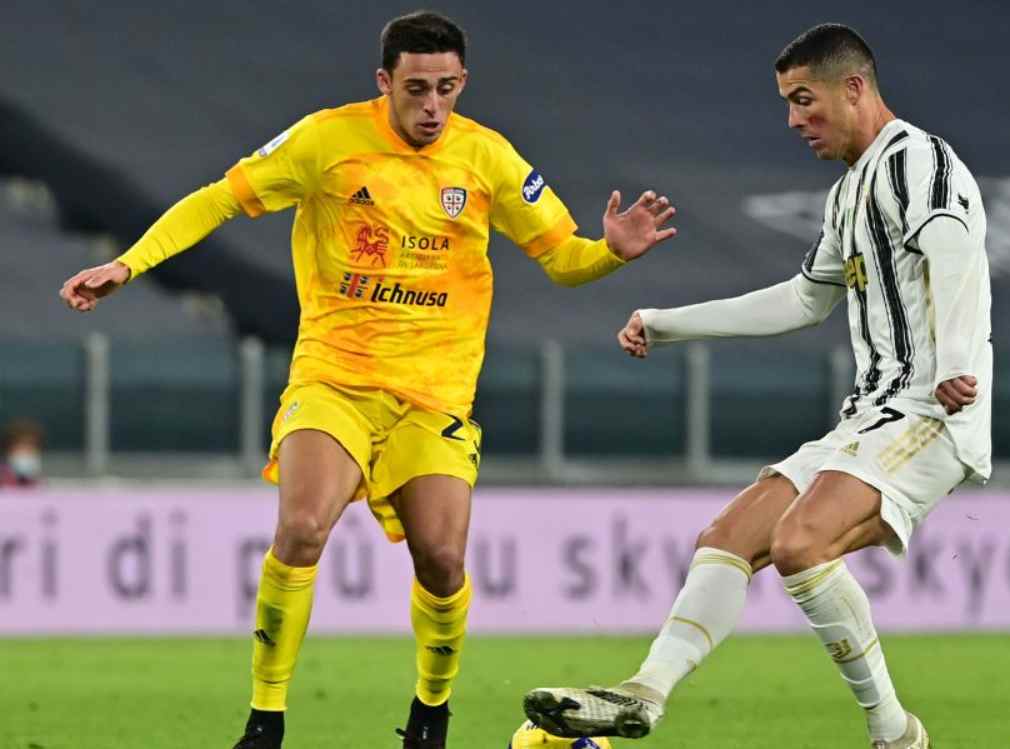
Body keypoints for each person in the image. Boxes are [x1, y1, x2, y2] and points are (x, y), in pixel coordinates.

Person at [58, 11, 677, 749]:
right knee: (302, 526)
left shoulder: (489, 159)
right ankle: (264, 721)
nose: (431, 106)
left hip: (436, 395)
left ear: (462, 84)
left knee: (443, 558)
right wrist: (130, 262)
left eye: (447, 89)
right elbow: (219, 197)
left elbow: (564, 261)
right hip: (335, 379)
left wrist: (610, 253)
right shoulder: (326, 140)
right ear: (385, 82)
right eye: (416, 88)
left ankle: (430, 714)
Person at [523, 24, 991, 749]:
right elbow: (803, 301)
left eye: (804, 99)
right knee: (729, 537)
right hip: (870, 417)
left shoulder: (915, 160)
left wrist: (957, 358)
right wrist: (667, 322)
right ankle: (644, 692)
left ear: (855, 87)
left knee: (802, 542)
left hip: (931, 409)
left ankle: (896, 735)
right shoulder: (848, 195)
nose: (793, 119)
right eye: (787, 102)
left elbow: (954, 247)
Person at [0, 418, 45, 488]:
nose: (28, 452)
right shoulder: (2, 478)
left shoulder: (37, 482)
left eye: (32, 447)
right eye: (23, 447)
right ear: (8, 448)